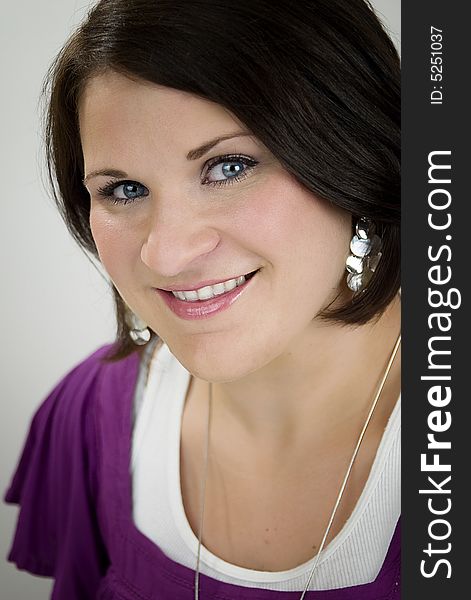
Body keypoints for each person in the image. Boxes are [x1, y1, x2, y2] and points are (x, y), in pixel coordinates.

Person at [4, 0, 401, 598]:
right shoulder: (91, 417)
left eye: (229, 166)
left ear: (354, 153)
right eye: (125, 189)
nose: (165, 254)